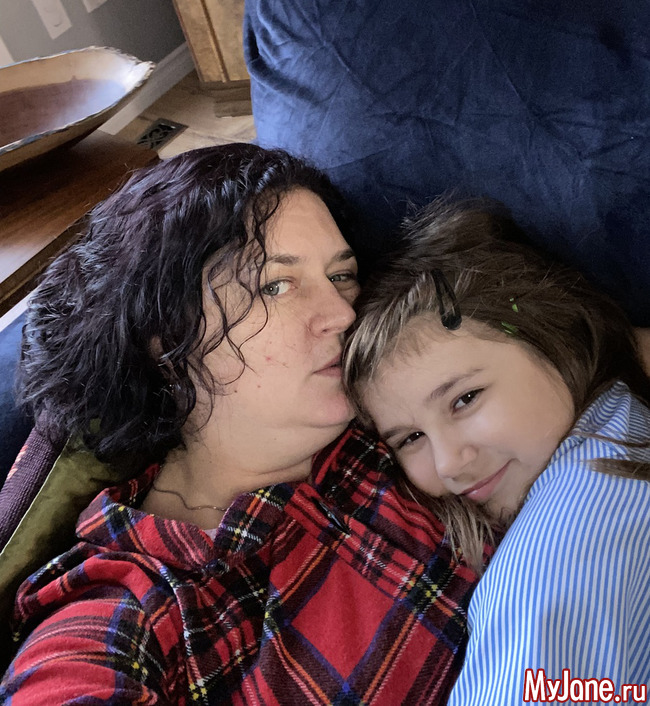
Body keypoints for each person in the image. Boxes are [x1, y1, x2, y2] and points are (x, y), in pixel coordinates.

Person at [0, 145, 479, 705]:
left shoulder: (407, 417)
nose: (343, 313)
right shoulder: (133, 610)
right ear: (165, 337)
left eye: (341, 275)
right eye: (276, 285)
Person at [343, 199, 650, 705]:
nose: (449, 464)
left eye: (465, 399)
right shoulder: (621, 423)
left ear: (550, 335)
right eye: (410, 439)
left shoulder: (552, 564)